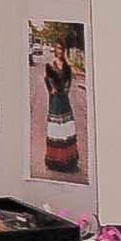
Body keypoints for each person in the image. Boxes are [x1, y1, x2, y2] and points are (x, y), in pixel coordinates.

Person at [42, 43, 82, 174]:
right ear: (55, 50)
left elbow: (69, 79)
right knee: (56, 128)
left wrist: (67, 89)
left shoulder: (66, 65)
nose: (60, 51)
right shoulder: (50, 65)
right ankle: (56, 161)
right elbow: (46, 78)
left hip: (64, 99)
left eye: (62, 49)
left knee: (66, 126)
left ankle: (68, 160)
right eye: (58, 48)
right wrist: (51, 89)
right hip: (55, 100)